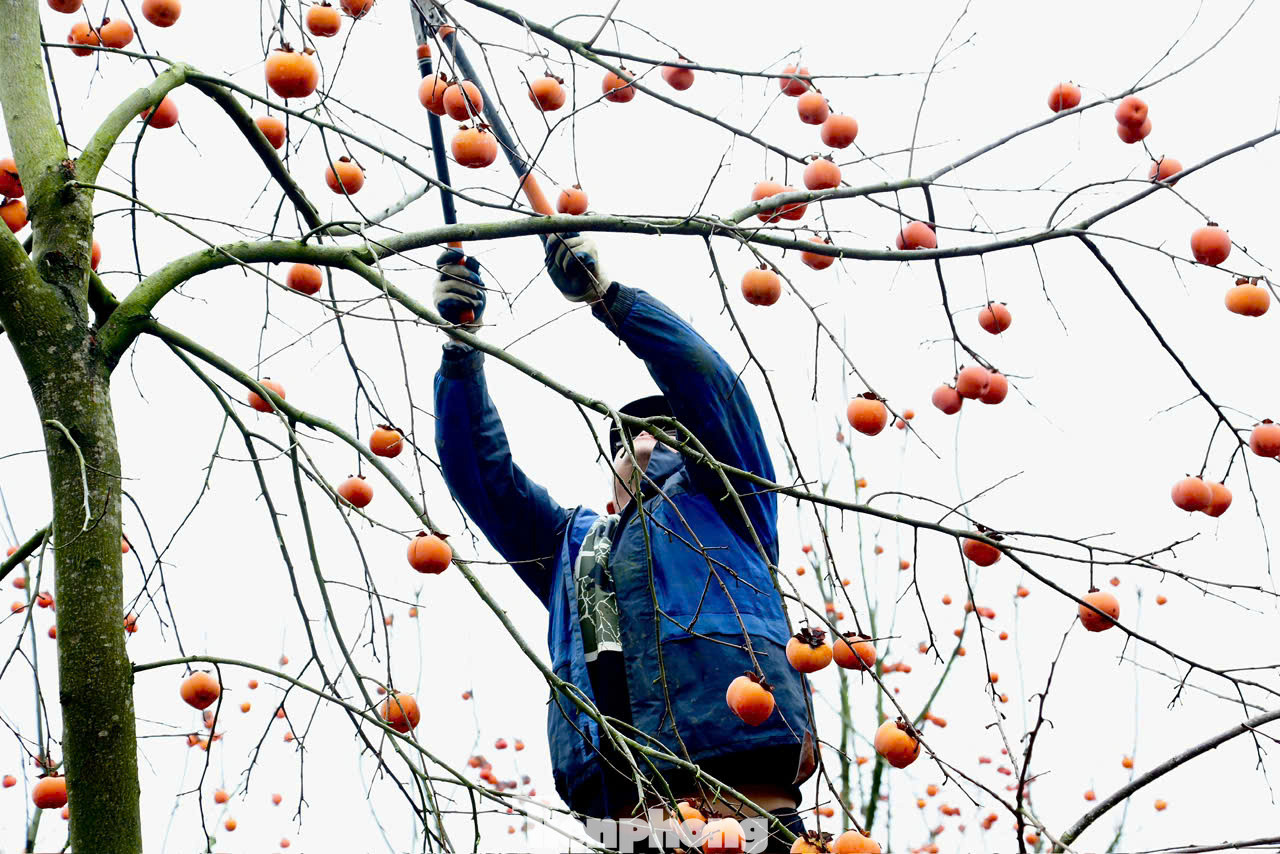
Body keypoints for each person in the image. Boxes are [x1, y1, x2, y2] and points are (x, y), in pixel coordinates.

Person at [431, 235, 815, 852]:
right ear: (611, 481)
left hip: (749, 810)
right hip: (626, 826)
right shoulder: (572, 547)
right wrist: (460, 351)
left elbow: (712, 386)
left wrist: (612, 301)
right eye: (624, 438)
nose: (640, 444)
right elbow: (483, 478)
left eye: (664, 431)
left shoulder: (731, 505)